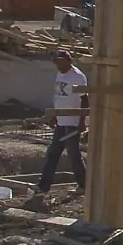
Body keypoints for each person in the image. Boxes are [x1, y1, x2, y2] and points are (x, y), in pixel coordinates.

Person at [36, 49, 89, 196]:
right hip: (61, 121)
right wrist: (55, 115)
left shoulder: (77, 77)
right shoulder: (60, 74)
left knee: (73, 154)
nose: (57, 65)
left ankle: (84, 184)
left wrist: (82, 121)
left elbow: (85, 99)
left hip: (72, 122)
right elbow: (59, 96)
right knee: (53, 153)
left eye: (60, 62)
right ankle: (43, 186)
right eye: (56, 62)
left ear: (68, 61)